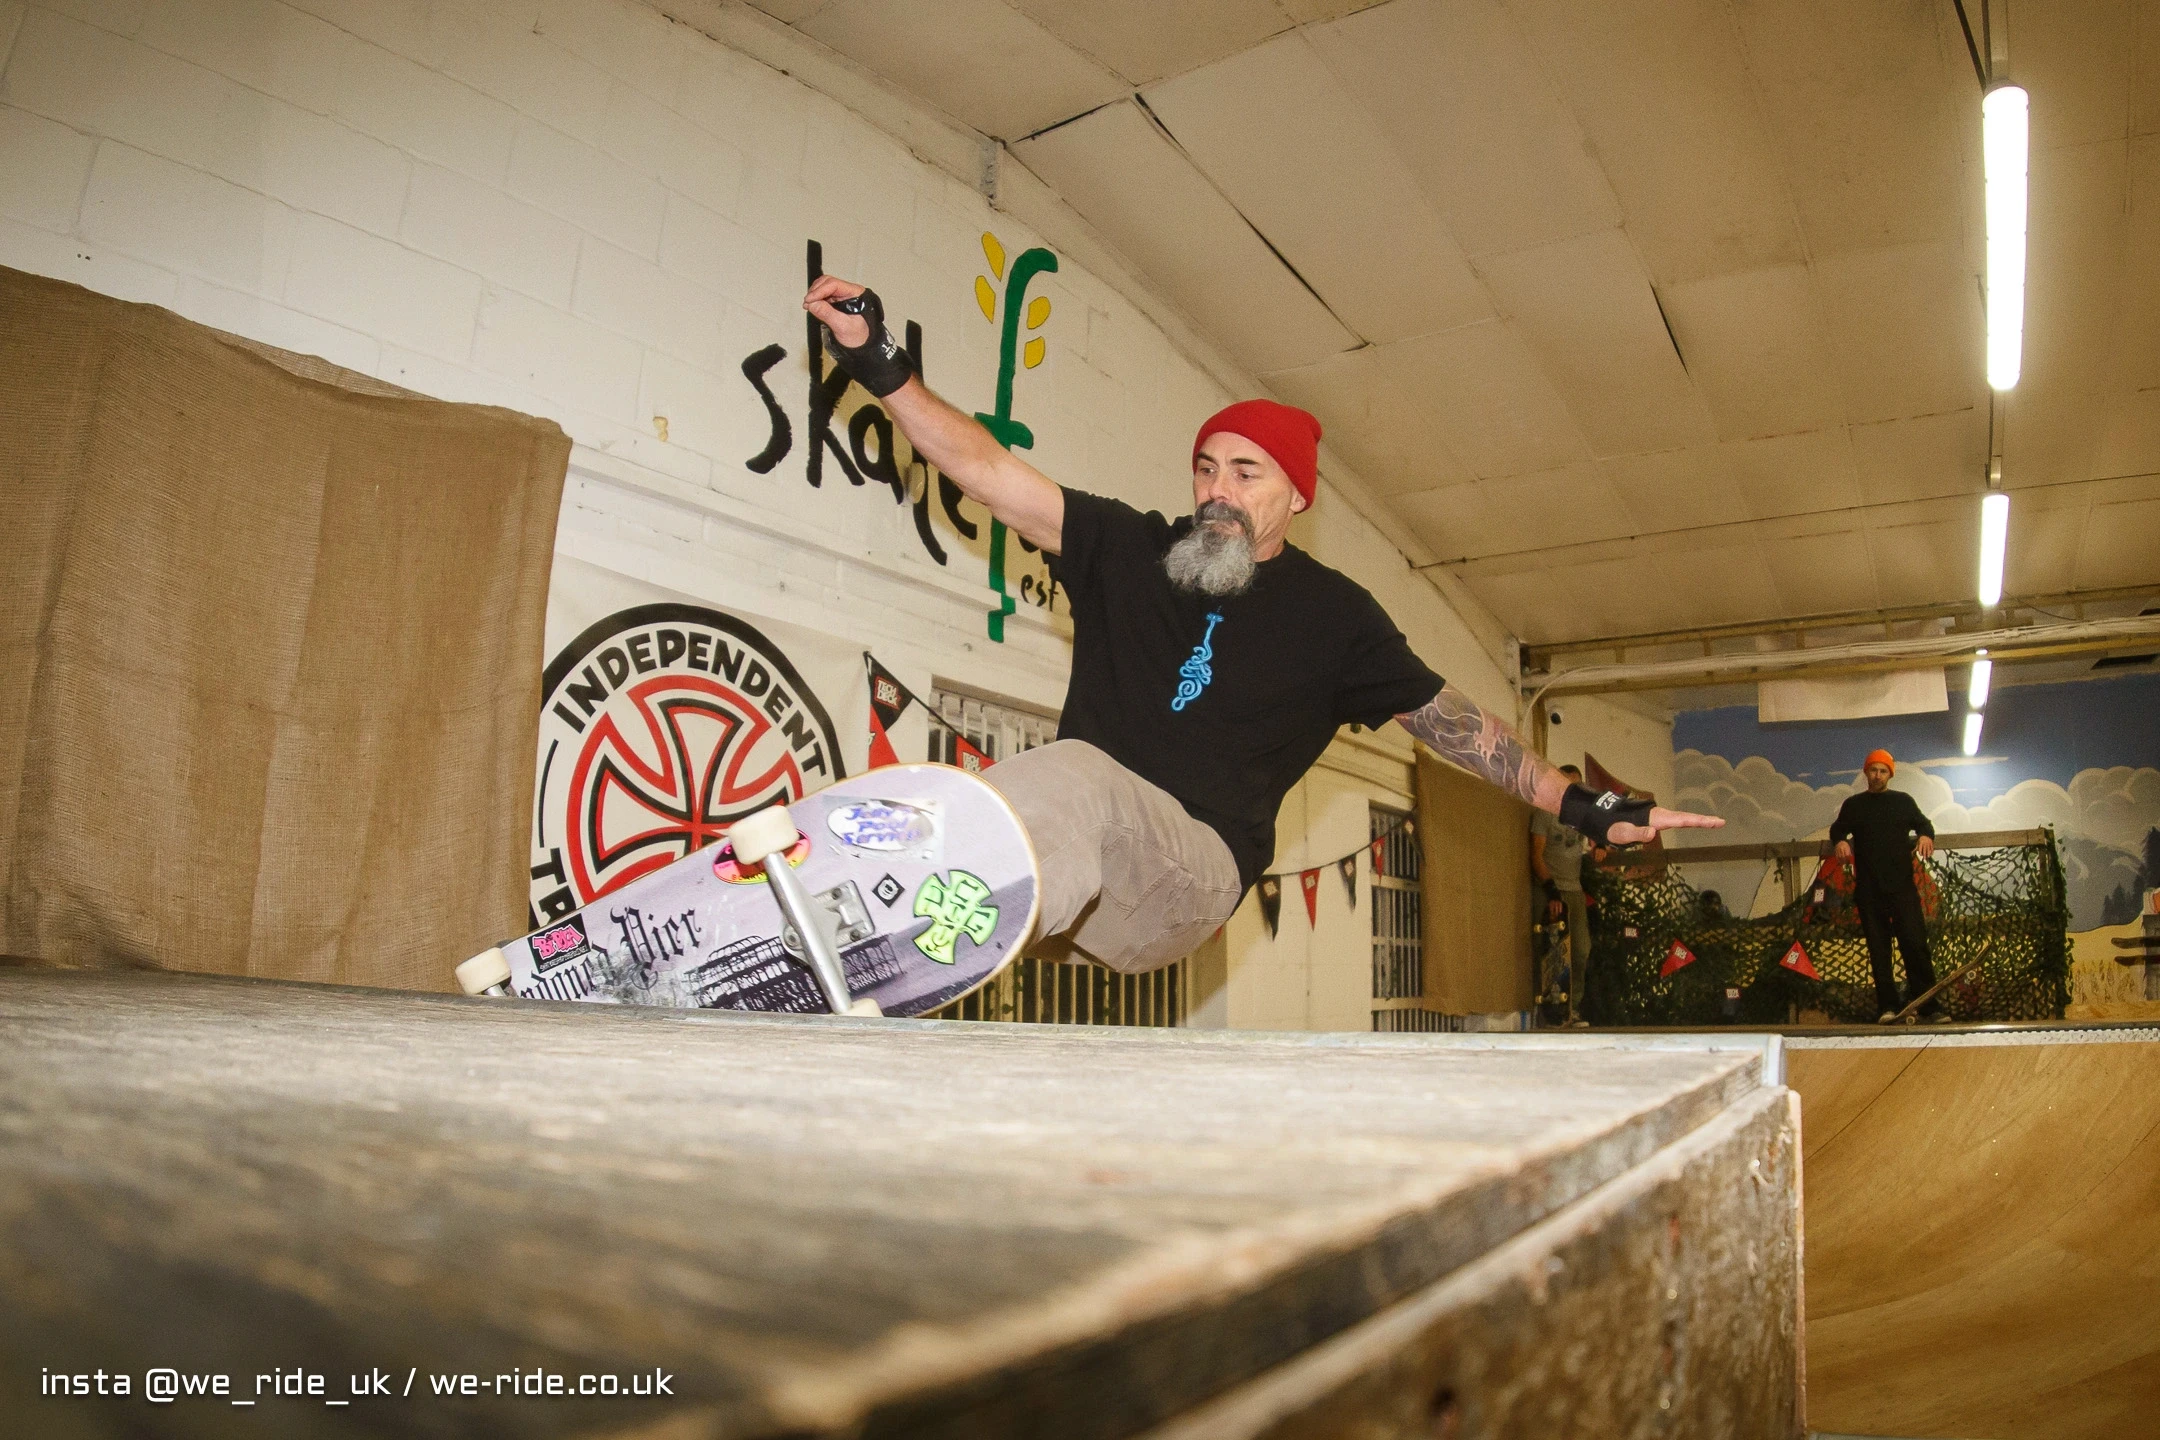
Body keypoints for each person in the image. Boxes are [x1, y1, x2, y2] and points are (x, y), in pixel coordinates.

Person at [804, 277, 1723, 974]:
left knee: (1077, 776)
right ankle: (828, 923)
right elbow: (987, 471)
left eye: (1248, 475)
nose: (1219, 493)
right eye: (1207, 469)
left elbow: (1460, 729)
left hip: (1186, 882)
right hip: (1078, 883)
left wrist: (1586, 805)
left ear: (1295, 495)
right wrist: (884, 368)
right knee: (982, 794)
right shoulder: (1126, 548)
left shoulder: (1336, 620)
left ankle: (911, 933)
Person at [1829, 749, 1942, 1022]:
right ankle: (1887, 1007)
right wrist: (1841, 841)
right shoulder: (1853, 805)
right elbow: (1837, 829)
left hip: (1902, 889)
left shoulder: (1902, 802)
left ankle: (1929, 1006)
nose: (1877, 775)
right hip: (1869, 891)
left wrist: (1926, 836)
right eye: (1873, 770)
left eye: (1883, 771)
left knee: (1915, 945)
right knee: (1879, 950)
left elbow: (1924, 824)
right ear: (1865, 772)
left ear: (1890, 774)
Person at [1531, 764, 1608, 1023]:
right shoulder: (1544, 812)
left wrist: (1602, 845)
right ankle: (1550, 1013)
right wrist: (1551, 890)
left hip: (1574, 890)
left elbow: (1601, 830)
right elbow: (1536, 855)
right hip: (1550, 888)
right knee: (1553, 951)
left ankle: (1571, 1010)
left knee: (1581, 950)